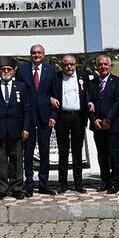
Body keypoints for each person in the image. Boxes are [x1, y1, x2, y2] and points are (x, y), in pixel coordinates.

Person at [0, 57, 31, 199]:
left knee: (17, 160)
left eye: (8, 69)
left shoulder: (21, 87)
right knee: (0, 160)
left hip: (16, 130)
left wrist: (26, 128)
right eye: (3, 69)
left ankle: (17, 187)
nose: (6, 71)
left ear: (13, 71)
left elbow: (26, 109)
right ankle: (2, 188)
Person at [16, 44, 57, 196]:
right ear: (30, 55)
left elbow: (55, 93)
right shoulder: (22, 70)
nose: (36, 55)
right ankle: (29, 184)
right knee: (28, 151)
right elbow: (18, 92)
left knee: (45, 151)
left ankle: (44, 183)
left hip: (45, 117)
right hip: (28, 117)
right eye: (34, 53)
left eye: (39, 53)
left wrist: (53, 115)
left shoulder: (51, 70)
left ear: (44, 55)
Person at [49, 54, 90, 193]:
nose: (69, 67)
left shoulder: (83, 75)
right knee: (63, 151)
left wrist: (89, 103)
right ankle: (63, 184)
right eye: (66, 64)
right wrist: (50, 98)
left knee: (78, 151)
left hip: (78, 117)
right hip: (62, 117)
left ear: (76, 64)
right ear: (62, 65)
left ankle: (78, 183)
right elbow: (51, 93)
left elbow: (88, 93)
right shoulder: (56, 77)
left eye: (72, 64)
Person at [88, 54, 119, 194]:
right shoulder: (92, 83)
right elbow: (88, 102)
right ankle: (105, 181)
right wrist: (94, 119)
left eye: (105, 64)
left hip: (113, 125)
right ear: (97, 67)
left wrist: (108, 119)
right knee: (102, 155)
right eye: (100, 65)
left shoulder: (118, 81)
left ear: (110, 66)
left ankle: (115, 183)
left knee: (115, 155)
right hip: (98, 126)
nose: (103, 67)